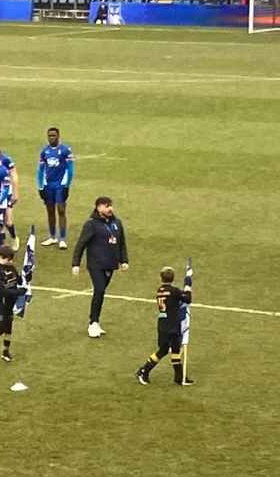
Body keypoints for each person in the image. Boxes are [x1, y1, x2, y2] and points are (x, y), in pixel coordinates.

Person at [71, 196, 129, 339]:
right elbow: (81, 244)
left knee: (101, 292)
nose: (110, 208)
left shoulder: (117, 223)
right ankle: (93, 322)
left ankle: (96, 321)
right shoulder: (91, 225)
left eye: (110, 205)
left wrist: (124, 260)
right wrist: (75, 264)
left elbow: (121, 243)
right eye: (106, 205)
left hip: (110, 264)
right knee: (99, 289)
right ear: (98, 208)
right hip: (95, 264)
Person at [135, 267, 194, 386]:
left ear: (160, 278)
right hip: (171, 324)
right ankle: (143, 371)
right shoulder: (174, 291)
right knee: (163, 350)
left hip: (164, 323)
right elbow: (187, 299)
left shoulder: (160, 291)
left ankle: (179, 377)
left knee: (176, 349)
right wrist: (188, 285)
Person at [37, 127, 75, 250]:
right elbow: (40, 170)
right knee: (50, 210)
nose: (51, 138)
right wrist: (40, 187)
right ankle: (53, 237)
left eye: (53, 135)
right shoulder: (44, 152)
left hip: (60, 185)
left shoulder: (65, 150)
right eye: (49, 136)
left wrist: (66, 185)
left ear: (58, 136)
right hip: (48, 185)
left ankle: (62, 239)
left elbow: (70, 169)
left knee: (61, 210)